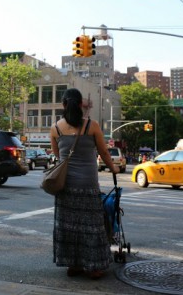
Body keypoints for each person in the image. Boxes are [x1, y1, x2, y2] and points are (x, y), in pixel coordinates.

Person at [50, 88, 120, 280]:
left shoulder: (55, 128)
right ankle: (94, 268)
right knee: (91, 226)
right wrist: (113, 169)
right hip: (88, 184)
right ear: (81, 104)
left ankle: (73, 265)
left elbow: (58, 156)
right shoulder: (93, 125)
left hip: (65, 185)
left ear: (64, 104)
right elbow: (105, 153)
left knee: (69, 226)